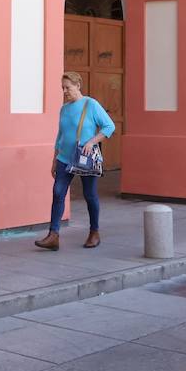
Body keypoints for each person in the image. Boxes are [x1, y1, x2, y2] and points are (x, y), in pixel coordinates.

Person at [35, 72, 114, 251]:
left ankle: (94, 233)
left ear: (78, 85)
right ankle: (53, 235)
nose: (64, 91)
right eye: (62, 88)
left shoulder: (90, 104)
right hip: (65, 157)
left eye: (67, 88)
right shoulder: (64, 109)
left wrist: (92, 141)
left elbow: (109, 126)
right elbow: (60, 135)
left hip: (85, 158)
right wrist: (55, 158)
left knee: (90, 194)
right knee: (57, 192)